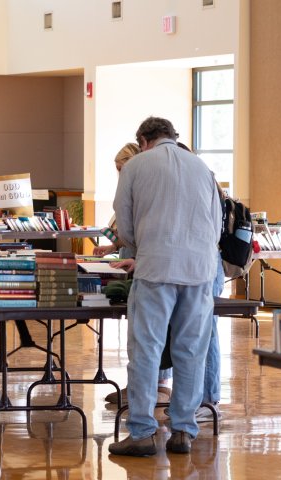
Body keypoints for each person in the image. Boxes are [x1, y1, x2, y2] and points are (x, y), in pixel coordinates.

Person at [108, 117, 221, 456]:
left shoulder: (137, 166)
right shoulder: (202, 167)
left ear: (143, 140)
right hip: (199, 270)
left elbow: (124, 225)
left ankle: (142, 433)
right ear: (173, 137)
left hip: (155, 268)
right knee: (191, 351)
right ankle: (184, 431)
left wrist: (142, 247)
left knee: (146, 351)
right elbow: (216, 224)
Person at [94, 143, 173, 405]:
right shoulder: (134, 187)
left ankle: (158, 386)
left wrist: (136, 258)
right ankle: (140, 385)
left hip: (150, 266)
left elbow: (149, 236)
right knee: (140, 330)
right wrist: (111, 246)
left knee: (154, 329)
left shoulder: (149, 188)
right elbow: (127, 232)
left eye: (121, 169)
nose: (120, 174)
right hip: (135, 263)